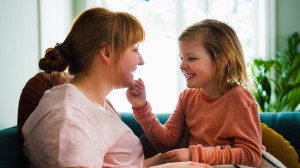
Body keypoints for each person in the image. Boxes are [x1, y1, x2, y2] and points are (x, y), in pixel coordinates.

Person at [22, 7, 209, 168]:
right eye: (135, 50)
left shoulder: (92, 102)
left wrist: (160, 161)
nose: (141, 61)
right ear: (107, 53)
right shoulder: (67, 118)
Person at [127, 19, 265, 167]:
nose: (182, 65)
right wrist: (141, 108)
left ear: (222, 60)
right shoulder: (187, 97)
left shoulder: (240, 99)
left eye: (191, 58)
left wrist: (193, 155)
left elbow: (251, 155)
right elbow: (167, 143)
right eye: (182, 58)